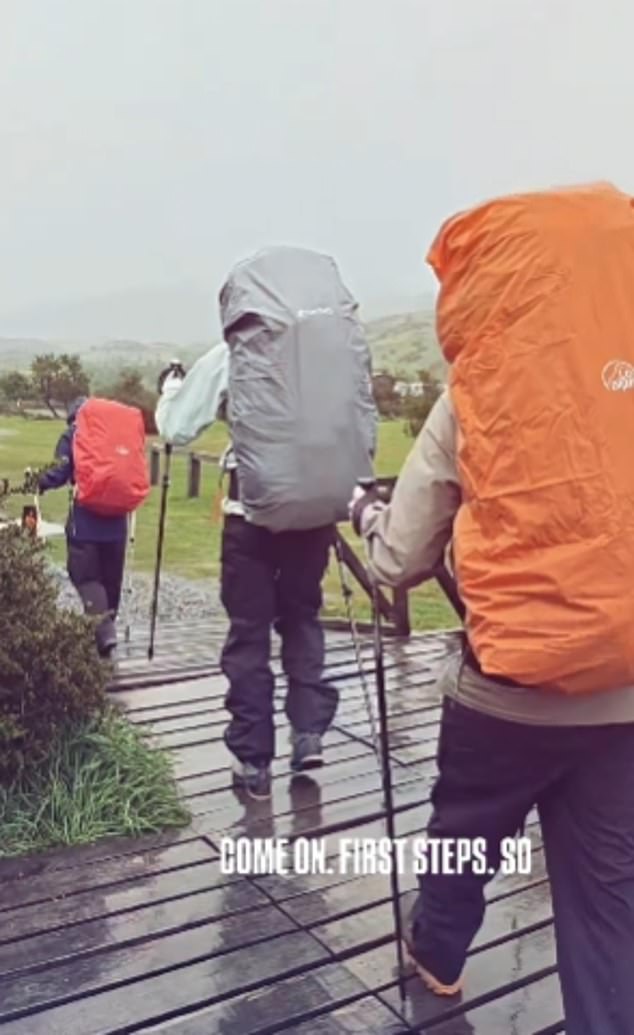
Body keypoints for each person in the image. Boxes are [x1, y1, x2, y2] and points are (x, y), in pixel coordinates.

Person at [352, 185, 634, 1035]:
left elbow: (400, 558)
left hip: (503, 697)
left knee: (461, 843)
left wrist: (369, 517)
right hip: (623, 692)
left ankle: (437, 964)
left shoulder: (475, 392)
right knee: (609, 904)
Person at [156, 345, 342, 801]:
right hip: (312, 510)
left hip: (251, 511)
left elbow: (176, 427)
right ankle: (308, 734)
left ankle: (254, 760)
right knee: (302, 617)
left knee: (249, 633)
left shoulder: (236, 348)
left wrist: (172, 389)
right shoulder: (328, 345)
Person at [38, 396, 127, 658]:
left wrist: (40, 482)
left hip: (85, 521)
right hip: (117, 522)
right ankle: (105, 635)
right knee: (111, 580)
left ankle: (104, 632)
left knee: (85, 576)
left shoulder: (73, 435)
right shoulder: (113, 436)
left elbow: (59, 472)